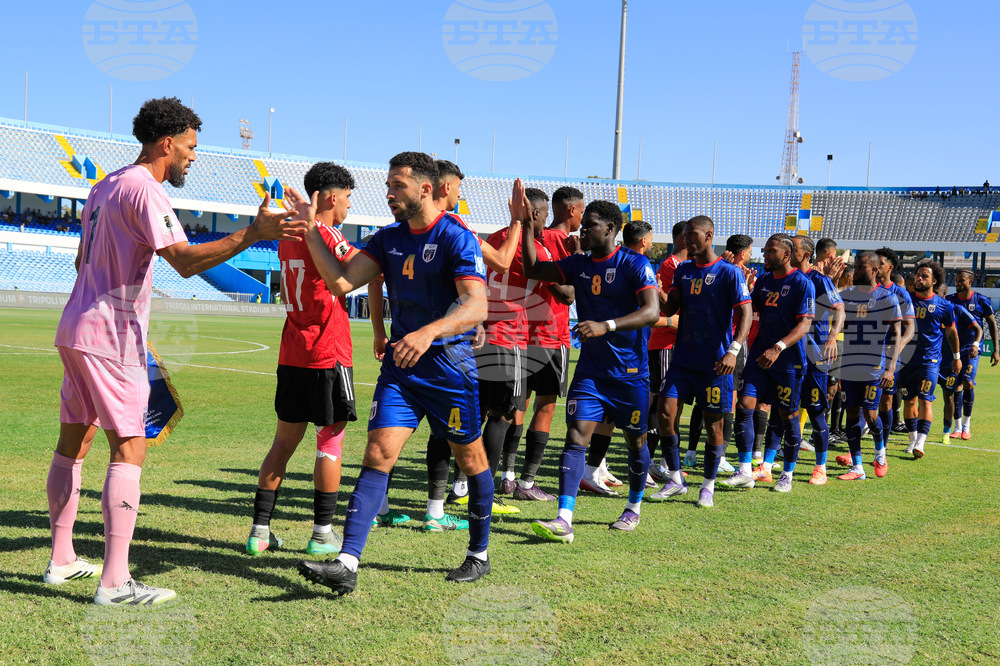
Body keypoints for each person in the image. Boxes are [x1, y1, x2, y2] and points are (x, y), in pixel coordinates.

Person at [46, 97, 303, 605]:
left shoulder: (103, 185)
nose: (192, 156)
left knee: (74, 441)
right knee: (131, 446)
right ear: (167, 143)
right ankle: (116, 583)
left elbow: (81, 261)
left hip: (76, 326)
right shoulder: (146, 190)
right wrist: (254, 233)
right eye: (189, 146)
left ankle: (62, 559)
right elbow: (184, 262)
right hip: (110, 337)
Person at [295, 152, 493, 594]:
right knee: (378, 454)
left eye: (397, 186)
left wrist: (429, 332)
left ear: (426, 188)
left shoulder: (457, 236)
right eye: (388, 185)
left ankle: (478, 554)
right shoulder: (387, 239)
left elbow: (477, 305)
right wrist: (310, 233)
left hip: (450, 369)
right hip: (402, 371)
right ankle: (347, 563)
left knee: (471, 459)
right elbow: (343, 282)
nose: (388, 193)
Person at [525, 200, 659, 542]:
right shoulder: (579, 264)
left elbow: (652, 312)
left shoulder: (635, 263)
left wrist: (607, 325)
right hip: (590, 373)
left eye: (591, 225)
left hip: (630, 374)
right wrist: (525, 225)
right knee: (575, 437)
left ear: (611, 229)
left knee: (635, 441)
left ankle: (633, 507)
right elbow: (534, 269)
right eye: (582, 224)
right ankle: (564, 518)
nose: (582, 230)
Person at [246, 163, 359, 558]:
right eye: (347, 197)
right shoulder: (323, 233)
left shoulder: (289, 235)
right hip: (327, 352)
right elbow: (358, 270)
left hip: (292, 351)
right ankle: (322, 533)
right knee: (329, 443)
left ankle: (259, 533)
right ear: (332, 196)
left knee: (282, 444)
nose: (348, 205)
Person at [650, 217, 752, 508]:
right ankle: (676, 479)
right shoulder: (682, 270)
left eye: (692, 235)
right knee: (665, 414)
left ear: (709, 235)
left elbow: (745, 313)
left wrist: (733, 350)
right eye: (684, 236)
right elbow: (670, 307)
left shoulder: (729, 272)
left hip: (715, 364)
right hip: (683, 359)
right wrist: (657, 290)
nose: (686, 240)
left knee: (714, 427)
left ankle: (707, 486)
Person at [496, 188, 575, 501]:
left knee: (514, 406)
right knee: (544, 406)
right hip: (548, 335)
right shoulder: (543, 245)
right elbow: (567, 294)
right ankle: (526, 483)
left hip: (514, 337)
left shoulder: (497, 238)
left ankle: (508, 476)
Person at [723, 234, 814, 493]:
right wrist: (740, 283)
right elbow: (747, 309)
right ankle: (744, 471)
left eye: (771, 251)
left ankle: (787, 474)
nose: (765, 255)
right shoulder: (763, 281)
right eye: (765, 250)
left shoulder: (802, 283)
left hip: (788, 362)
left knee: (788, 416)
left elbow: (805, 324)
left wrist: (779, 347)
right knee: (744, 404)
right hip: (759, 359)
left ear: (787, 254)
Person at [833, 252, 903, 480]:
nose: (857, 271)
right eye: (856, 266)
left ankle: (880, 453)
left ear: (874, 270)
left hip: (874, 368)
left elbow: (897, 335)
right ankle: (858, 467)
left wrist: (891, 368)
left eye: (862, 267)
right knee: (851, 412)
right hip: (849, 366)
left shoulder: (887, 297)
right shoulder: (848, 295)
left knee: (871, 414)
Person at [791, 236, 845, 485]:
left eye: (792, 247)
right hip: (789, 354)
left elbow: (839, 309)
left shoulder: (818, 279)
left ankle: (820, 467)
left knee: (814, 411)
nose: (787, 250)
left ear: (804, 254)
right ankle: (772, 464)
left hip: (815, 354)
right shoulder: (785, 279)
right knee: (785, 411)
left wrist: (833, 336)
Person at [900, 259, 960, 459]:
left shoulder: (944, 306)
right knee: (909, 401)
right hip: (906, 360)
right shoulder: (905, 300)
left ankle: (921, 442)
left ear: (934, 281)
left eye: (924, 276)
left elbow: (952, 334)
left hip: (930, 360)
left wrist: (956, 357)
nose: (919, 278)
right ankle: (912, 439)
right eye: (918, 274)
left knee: (926, 400)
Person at [644, 222, 687, 484]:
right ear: (684, 238)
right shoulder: (672, 265)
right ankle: (646, 463)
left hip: (680, 344)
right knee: (660, 403)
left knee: (674, 406)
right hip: (665, 343)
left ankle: (665, 464)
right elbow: (673, 304)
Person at [946, 268, 999, 439]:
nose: (957, 283)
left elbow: (991, 324)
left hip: (972, 349)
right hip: (953, 351)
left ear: (970, 282)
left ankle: (967, 426)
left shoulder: (981, 300)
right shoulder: (950, 300)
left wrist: (996, 349)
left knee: (968, 383)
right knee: (955, 387)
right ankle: (957, 426)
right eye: (956, 280)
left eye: (961, 280)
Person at [874, 247, 916, 439]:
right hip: (865, 352)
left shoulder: (900, 294)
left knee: (886, 401)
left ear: (889, 267)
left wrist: (897, 349)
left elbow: (910, 329)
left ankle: (882, 443)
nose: (875, 266)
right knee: (861, 400)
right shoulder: (865, 289)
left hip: (889, 356)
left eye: (880, 263)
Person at [936, 283, 982, 444]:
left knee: (964, 384)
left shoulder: (955, 309)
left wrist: (976, 345)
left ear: (943, 295)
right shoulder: (926, 308)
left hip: (959, 355)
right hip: (935, 357)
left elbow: (979, 328)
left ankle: (963, 426)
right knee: (924, 395)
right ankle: (919, 433)